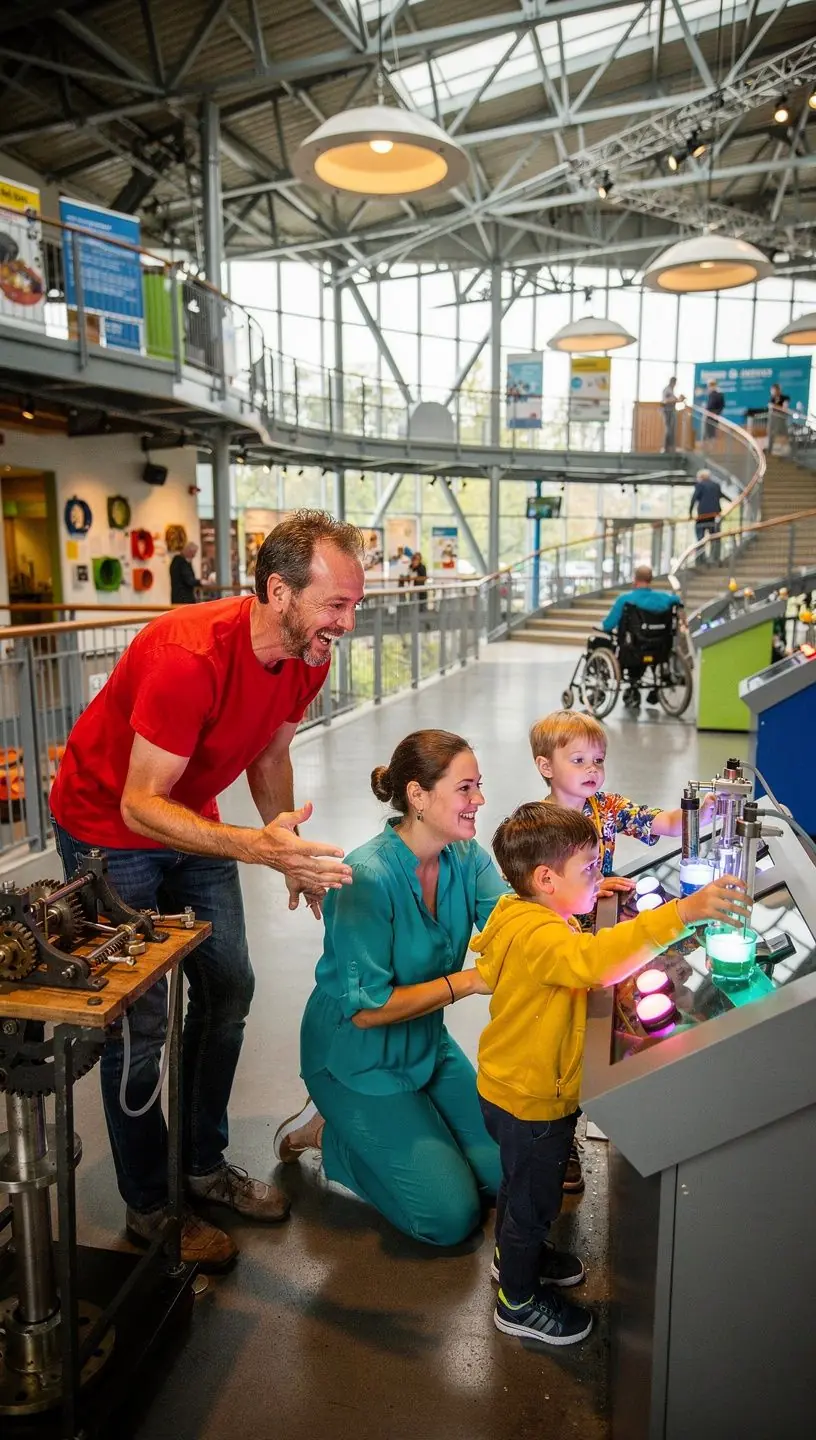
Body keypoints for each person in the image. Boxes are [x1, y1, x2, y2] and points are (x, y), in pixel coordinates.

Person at [49, 510, 365, 1271]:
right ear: (279, 592)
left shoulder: (307, 656)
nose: (345, 626)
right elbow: (137, 804)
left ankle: (201, 1165)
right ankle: (152, 1208)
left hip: (187, 822)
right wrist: (254, 848)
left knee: (228, 988)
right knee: (142, 1024)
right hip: (109, 828)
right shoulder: (188, 655)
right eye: (336, 606)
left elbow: (269, 757)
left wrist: (281, 845)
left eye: (354, 606)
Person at [471, 802, 750, 1347]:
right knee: (536, 1199)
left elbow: (569, 939)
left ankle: (514, 1256)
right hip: (531, 1100)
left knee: (520, 1185)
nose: (598, 877)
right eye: (590, 871)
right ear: (547, 879)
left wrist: (587, 899)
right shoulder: (542, 936)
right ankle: (518, 1301)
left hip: (508, 1089)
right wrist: (680, 915)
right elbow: (591, 962)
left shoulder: (526, 912)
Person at [273, 730, 507, 1246]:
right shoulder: (367, 876)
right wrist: (466, 981)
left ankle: (410, 1135)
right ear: (419, 796)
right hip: (357, 1059)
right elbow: (368, 1011)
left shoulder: (466, 858)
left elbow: (514, 925)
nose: (480, 800)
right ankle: (329, 1133)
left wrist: (575, 891)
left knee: (505, 1178)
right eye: (466, 788)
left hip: (424, 1041)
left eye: (479, 786)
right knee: (449, 1218)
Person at [528, 710, 715, 1189]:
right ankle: (559, 1139)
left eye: (598, 760)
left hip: (600, 944)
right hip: (561, 948)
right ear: (546, 766)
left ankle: (602, 1103)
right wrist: (590, 886)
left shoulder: (605, 808)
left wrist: (700, 812)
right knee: (563, 1042)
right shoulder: (537, 826)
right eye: (578, 760)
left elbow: (663, 821)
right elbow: (533, 893)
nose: (592, 770)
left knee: (598, 1032)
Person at [689, 467, 724, 564]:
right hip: (715, 515)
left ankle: (701, 560)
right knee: (715, 537)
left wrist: (690, 513)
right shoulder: (716, 485)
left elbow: (694, 498)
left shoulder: (700, 485)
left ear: (701, 477)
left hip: (703, 516)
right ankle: (715, 558)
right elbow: (721, 496)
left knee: (700, 538)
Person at [169, 541, 200, 605]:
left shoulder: (180, 561)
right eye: (193, 553)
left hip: (180, 597)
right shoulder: (181, 562)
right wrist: (201, 582)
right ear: (189, 551)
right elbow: (189, 580)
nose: (194, 556)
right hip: (183, 599)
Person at [661, 376, 684, 452]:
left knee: (671, 429)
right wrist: (677, 400)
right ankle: (667, 448)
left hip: (671, 410)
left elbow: (672, 399)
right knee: (669, 429)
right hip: (668, 411)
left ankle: (670, 447)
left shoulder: (670, 390)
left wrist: (678, 400)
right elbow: (667, 400)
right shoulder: (667, 390)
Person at [767, 382, 790, 456]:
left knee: (782, 435)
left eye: (775, 390)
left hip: (781, 420)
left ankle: (784, 453)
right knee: (771, 434)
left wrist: (774, 406)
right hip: (772, 420)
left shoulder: (785, 398)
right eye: (772, 390)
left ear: (779, 390)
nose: (773, 392)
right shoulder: (771, 399)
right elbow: (770, 408)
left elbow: (784, 409)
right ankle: (770, 451)